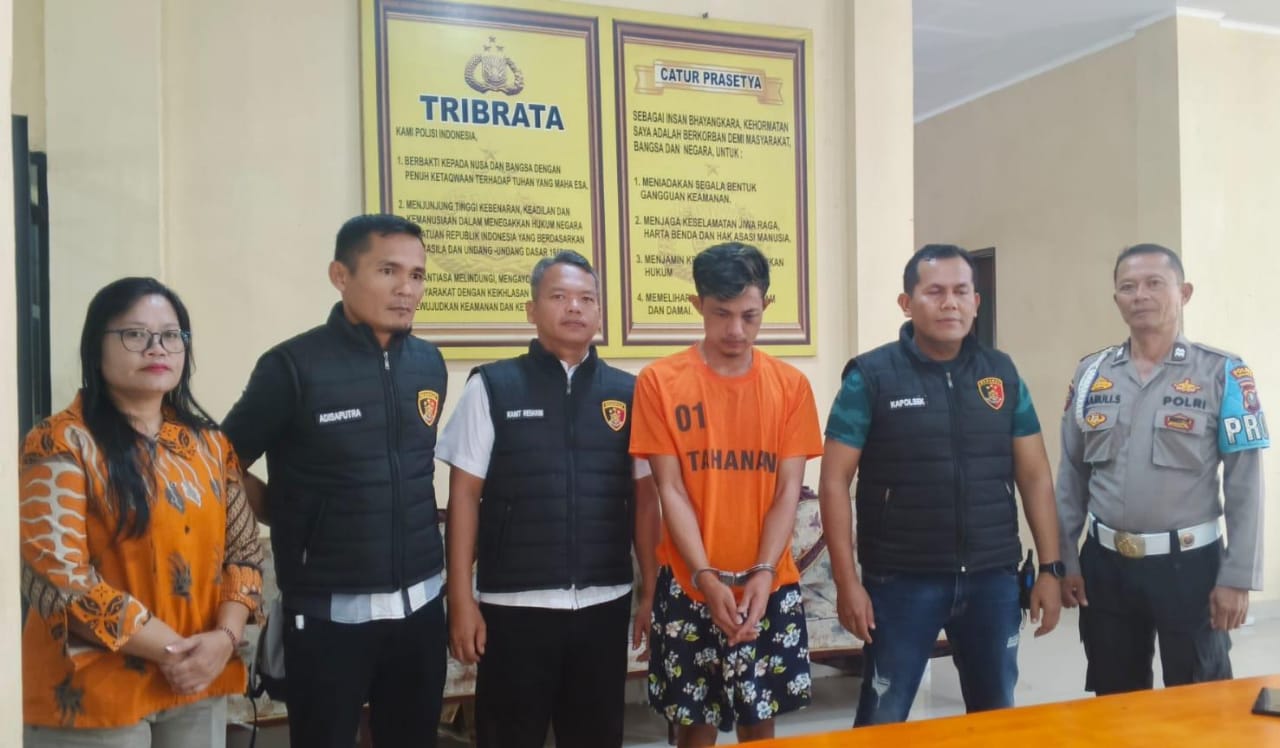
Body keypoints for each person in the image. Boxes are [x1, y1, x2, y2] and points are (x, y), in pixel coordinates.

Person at [222, 214, 448, 747]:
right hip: (327, 614)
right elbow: (220, 462)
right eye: (388, 271)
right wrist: (280, 510)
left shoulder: (428, 363)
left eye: (417, 275)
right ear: (340, 276)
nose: (406, 288)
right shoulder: (292, 366)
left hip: (420, 608)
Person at [818, 243, 1063, 726]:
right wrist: (847, 584)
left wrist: (1051, 569)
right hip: (900, 582)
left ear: (976, 302)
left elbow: (1035, 474)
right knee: (882, 720)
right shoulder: (870, 377)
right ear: (906, 303)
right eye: (934, 292)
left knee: (995, 718)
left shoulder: (1001, 374)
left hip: (992, 577)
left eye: (961, 291)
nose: (950, 303)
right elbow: (833, 482)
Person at [19, 277, 263, 747]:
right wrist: (177, 651)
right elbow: (61, 579)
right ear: (97, 347)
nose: (157, 348)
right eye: (135, 334)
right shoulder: (59, 442)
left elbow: (245, 554)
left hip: (197, 679)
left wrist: (224, 640)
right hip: (95, 691)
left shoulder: (210, 445)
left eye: (171, 336)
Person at [439, 250, 660, 748]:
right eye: (559, 296)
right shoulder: (492, 386)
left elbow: (646, 500)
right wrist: (461, 599)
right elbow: (464, 496)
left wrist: (650, 590)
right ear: (532, 310)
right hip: (513, 606)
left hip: (604, 603)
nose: (574, 307)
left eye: (586, 299)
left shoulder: (630, 394)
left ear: (599, 313)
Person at [630, 242, 823, 747]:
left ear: (766, 307)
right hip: (690, 584)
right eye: (721, 313)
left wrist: (763, 571)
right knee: (693, 726)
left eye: (749, 315)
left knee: (761, 723)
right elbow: (670, 489)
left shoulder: (790, 387)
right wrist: (705, 576)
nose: (736, 330)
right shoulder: (659, 383)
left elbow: (787, 492)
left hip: (769, 584)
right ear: (697, 305)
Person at [1056, 243, 1266, 694]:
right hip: (1106, 567)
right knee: (1115, 696)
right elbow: (1071, 473)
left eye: (1155, 283)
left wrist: (1237, 577)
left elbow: (1245, 484)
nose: (1141, 295)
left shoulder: (1223, 373)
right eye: (1128, 287)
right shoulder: (1092, 373)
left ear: (1183, 292)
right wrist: (1065, 558)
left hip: (1190, 568)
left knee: (1198, 698)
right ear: (1116, 299)